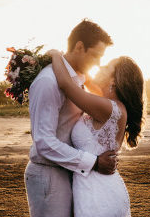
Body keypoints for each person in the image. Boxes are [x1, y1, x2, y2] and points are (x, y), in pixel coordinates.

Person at [24, 19, 117, 217]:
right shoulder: (48, 82)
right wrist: (93, 162)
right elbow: (44, 142)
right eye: (96, 55)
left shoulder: (76, 80)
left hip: (69, 170)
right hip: (48, 173)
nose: (98, 63)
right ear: (79, 46)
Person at [48, 50, 146, 217]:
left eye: (107, 66)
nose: (100, 66)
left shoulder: (109, 108)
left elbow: (66, 85)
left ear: (114, 80)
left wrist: (56, 55)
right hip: (94, 189)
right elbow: (87, 78)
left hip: (98, 195)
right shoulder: (108, 103)